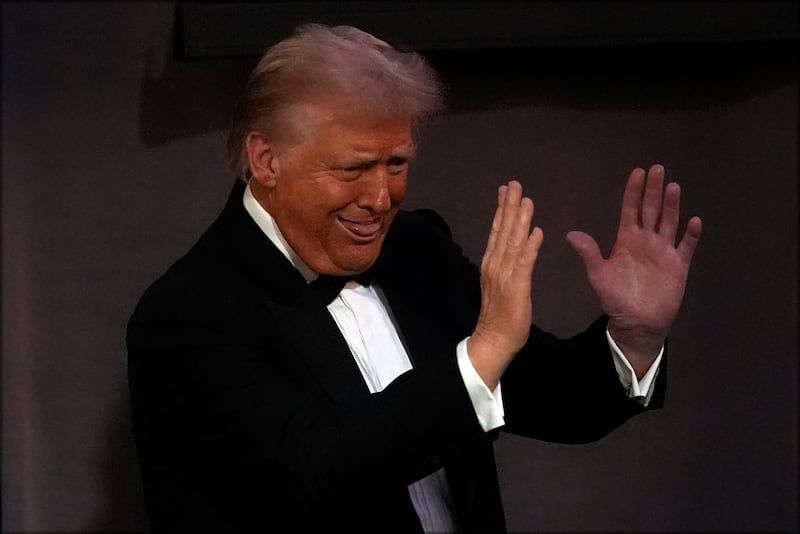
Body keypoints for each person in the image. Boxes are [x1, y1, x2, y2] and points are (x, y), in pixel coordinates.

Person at [127, 23, 702, 533]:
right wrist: (485, 350)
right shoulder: (188, 315)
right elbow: (317, 474)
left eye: (396, 163)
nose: (381, 199)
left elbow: (551, 397)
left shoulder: (415, 250)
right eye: (353, 168)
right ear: (267, 160)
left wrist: (635, 335)